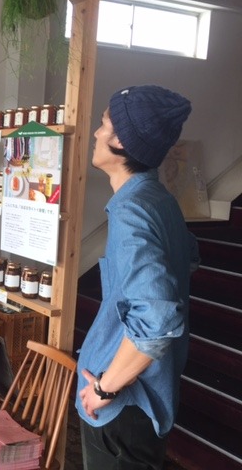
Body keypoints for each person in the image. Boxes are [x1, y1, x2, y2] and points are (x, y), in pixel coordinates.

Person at [76, 85, 200, 469]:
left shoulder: (132, 211)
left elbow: (157, 320)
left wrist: (104, 388)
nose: (96, 133)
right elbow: (187, 260)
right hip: (142, 404)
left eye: (103, 124)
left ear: (121, 142)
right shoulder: (160, 200)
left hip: (123, 408)